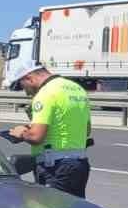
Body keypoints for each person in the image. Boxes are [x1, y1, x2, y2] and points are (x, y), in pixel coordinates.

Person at [5, 63, 92, 198]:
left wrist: (21, 132)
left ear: (29, 78)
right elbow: (85, 130)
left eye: (23, 86)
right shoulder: (76, 89)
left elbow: (36, 137)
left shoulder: (45, 93)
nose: (26, 92)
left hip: (55, 167)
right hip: (80, 164)